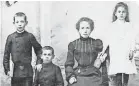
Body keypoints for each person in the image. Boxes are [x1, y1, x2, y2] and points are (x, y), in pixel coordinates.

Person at [65, 17, 108, 86]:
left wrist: (100, 60)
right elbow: (68, 64)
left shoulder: (96, 43)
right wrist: (70, 76)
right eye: (82, 28)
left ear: (91, 29)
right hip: (78, 74)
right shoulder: (73, 44)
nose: (85, 31)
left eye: (87, 28)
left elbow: (106, 53)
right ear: (78, 30)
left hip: (94, 74)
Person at [3, 12, 42, 86]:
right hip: (15, 71)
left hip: (27, 71)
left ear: (26, 23)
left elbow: (39, 50)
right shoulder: (10, 37)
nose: (19, 24)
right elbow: (6, 54)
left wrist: (39, 62)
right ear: (14, 23)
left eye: (22, 21)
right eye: (17, 22)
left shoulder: (30, 36)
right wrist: (7, 69)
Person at [103, 2, 137, 86]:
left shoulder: (129, 25)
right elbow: (107, 39)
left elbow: (132, 39)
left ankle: (125, 84)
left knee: (126, 71)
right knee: (117, 72)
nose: (121, 14)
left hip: (126, 51)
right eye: (119, 12)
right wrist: (103, 50)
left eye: (123, 12)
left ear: (126, 13)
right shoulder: (112, 26)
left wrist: (132, 50)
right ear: (115, 13)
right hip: (116, 52)